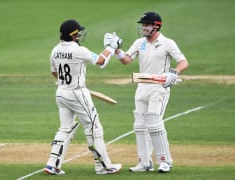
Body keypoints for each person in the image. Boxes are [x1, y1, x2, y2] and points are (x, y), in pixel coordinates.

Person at [104, 12, 189, 173]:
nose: (143, 28)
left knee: (154, 123)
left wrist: (174, 73)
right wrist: (116, 49)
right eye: (142, 25)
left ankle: (165, 161)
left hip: (159, 87)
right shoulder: (139, 43)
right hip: (142, 86)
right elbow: (126, 60)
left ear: (156, 26)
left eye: (146, 25)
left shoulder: (167, 43)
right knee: (140, 125)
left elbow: (184, 62)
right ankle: (144, 162)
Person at [43, 19, 122, 175]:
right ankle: (104, 166)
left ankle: (52, 164)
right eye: (78, 33)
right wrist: (111, 47)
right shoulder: (79, 50)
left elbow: (54, 73)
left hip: (61, 93)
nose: (79, 35)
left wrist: (67, 81)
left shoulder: (55, 50)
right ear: (73, 35)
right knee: (94, 128)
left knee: (65, 128)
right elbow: (101, 62)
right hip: (77, 93)